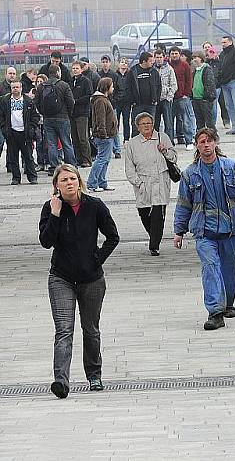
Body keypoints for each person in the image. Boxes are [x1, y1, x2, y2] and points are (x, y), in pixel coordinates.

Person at [38, 163, 120, 398]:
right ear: (56, 185)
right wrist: (54, 214)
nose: (69, 183)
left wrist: (97, 259)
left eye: (72, 179)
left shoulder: (94, 206)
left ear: (79, 181)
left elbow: (113, 237)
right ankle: (61, 381)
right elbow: (46, 241)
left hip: (91, 278)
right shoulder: (50, 208)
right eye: (63, 180)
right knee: (64, 330)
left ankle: (94, 375)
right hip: (61, 277)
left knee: (90, 329)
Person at [173, 128, 235, 330]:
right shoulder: (189, 175)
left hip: (231, 230)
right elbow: (183, 205)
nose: (206, 144)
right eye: (202, 141)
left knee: (229, 268)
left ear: (216, 143)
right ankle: (215, 312)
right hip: (204, 232)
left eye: (209, 140)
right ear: (196, 145)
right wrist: (179, 231)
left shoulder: (234, 168)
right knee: (210, 267)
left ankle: (228, 303)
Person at [124, 112, 177, 256]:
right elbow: (129, 168)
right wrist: (138, 183)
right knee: (144, 214)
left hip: (160, 181)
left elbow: (174, 157)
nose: (147, 126)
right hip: (143, 183)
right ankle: (154, 235)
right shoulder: (132, 144)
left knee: (158, 215)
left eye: (149, 123)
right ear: (137, 127)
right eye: (143, 124)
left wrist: (165, 150)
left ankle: (154, 245)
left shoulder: (162, 137)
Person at [0, 79, 39, 185]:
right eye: (13, 87)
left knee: (28, 156)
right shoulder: (5, 100)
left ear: (21, 88)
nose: (15, 89)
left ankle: (32, 177)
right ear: (11, 88)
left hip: (25, 132)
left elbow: (35, 116)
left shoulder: (28, 100)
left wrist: (31, 128)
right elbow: (2, 116)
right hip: (11, 132)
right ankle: (16, 178)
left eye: (17, 87)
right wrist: (4, 128)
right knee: (13, 157)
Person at [86, 78, 118, 193]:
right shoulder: (100, 101)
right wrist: (103, 133)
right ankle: (92, 183)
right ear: (106, 87)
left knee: (106, 159)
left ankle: (102, 182)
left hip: (108, 134)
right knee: (101, 159)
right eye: (112, 86)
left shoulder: (103, 99)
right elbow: (100, 119)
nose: (113, 88)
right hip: (104, 136)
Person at [125, 52, 162, 135]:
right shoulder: (133, 71)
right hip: (138, 104)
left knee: (150, 124)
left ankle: (150, 142)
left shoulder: (154, 71)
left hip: (151, 104)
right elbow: (128, 87)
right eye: (150, 61)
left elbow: (159, 86)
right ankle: (135, 143)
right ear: (144, 61)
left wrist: (156, 99)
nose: (152, 63)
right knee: (136, 125)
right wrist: (132, 100)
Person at [169, 46, 195, 151]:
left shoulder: (185, 65)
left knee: (186, 120)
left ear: (179, 54)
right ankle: (170, 142)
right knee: (169, 121)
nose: (174, 55)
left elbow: (189, 80)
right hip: (170, 98)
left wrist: (186, 93)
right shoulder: (167, 66)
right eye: (172, 53)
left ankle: (189, 141)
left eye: (176, 53)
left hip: (183, 97)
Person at [69, 61, 93, 168]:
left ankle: (86, 159)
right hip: (72, 114)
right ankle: (78, 159)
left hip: (82, 113)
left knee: (83, 137)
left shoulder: (86, 81)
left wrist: (76, 101)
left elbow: (88, 96)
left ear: (81, 69)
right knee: (74, 138)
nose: (75, 70)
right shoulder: (70, 82)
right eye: (73, 68)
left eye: (77, 68)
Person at [190, 52, 217, 132]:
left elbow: (209, 84)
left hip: (204, 99)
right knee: (199, 121)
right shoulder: (195, 71)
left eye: (196, 57)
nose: (194, 59)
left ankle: (213, 137)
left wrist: (207, 97)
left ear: (201, 58)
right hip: (196, 99)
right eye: (193, 58)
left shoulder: (206, 69)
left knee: (209, 122)